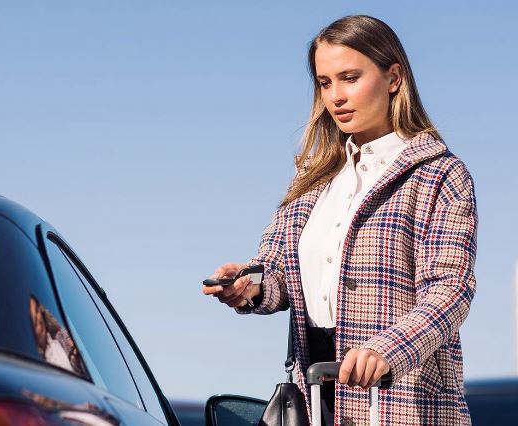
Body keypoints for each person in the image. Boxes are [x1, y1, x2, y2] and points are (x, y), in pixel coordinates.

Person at [203, 15, 477, 425]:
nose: (336, 96)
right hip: (316, 397)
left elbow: (450, 291)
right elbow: (278, 272)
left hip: (402, 400)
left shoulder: (438, 173)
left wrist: (388, 349)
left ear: (394, 77)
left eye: (349, 77)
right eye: (325, 82)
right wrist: (248, 285)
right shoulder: (313, 176)